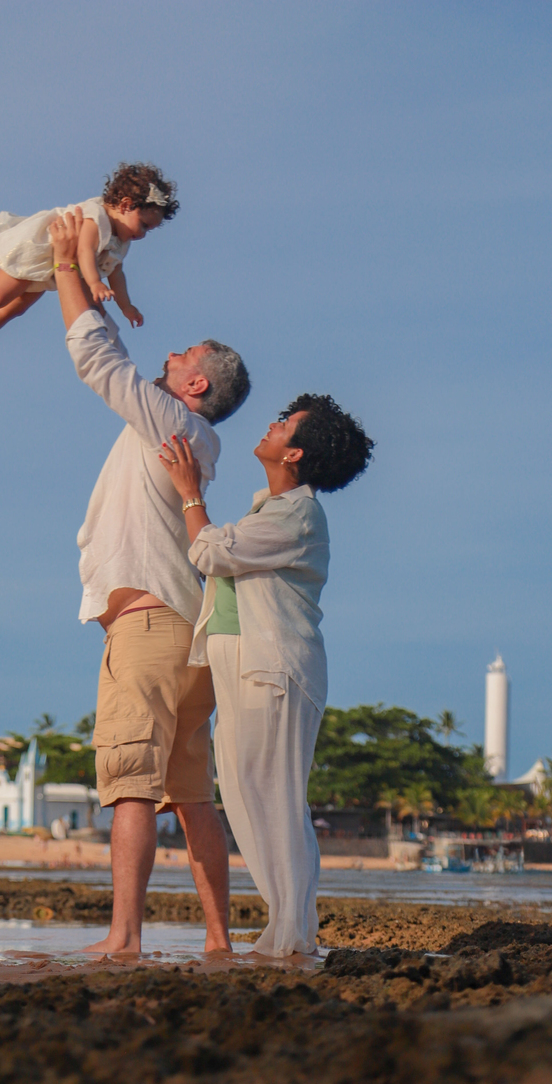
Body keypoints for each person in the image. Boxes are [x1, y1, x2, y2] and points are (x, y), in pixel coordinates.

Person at [45, 206, 251, 958]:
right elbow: (113, 354)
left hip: (151, 628)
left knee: (130, 780)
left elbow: (97, 358)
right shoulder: (191, 434)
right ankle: (219, 939)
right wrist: (90, 272)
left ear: (194, 382)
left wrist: (64, 264)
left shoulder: (170, 422)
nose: (168, 354)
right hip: (189, 637)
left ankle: (124, 937)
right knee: (192, 796)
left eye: (182, 354)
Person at [159, 395, 374, 958]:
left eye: (284, 425)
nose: (272, 427)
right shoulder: (271, 508)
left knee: (273, 799)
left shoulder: (298, 515)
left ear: (294, 452)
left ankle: (292, 935)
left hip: (273, 668)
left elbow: (212, 552)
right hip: (244, 663)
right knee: (249, 794)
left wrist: (190, 494)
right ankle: (289, 930)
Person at [0, 162, 178, 369]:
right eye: (143, 225)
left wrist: (126, 306)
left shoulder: (121, 239)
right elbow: (84, 251)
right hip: (36, 253)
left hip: (50, 268)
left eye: (149, 230)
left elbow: (117, 273)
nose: (143, 234)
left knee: (17, 308)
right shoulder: (97, 218)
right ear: (125, 205)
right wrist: (94, 283)